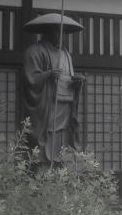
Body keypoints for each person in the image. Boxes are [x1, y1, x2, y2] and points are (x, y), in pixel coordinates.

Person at [21, 13, 84, 170]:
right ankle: (42, 169)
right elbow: (31, 79)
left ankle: (58, 167)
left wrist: (76, 82)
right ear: (48, 32)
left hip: (65, 105)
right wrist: (48, 75)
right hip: (47, 105)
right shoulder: (35, 51)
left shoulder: (65, 54)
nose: (62, 36)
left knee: (62, 136)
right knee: (46, 138)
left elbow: (67, 78)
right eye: (58, 31)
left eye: (64, 32)